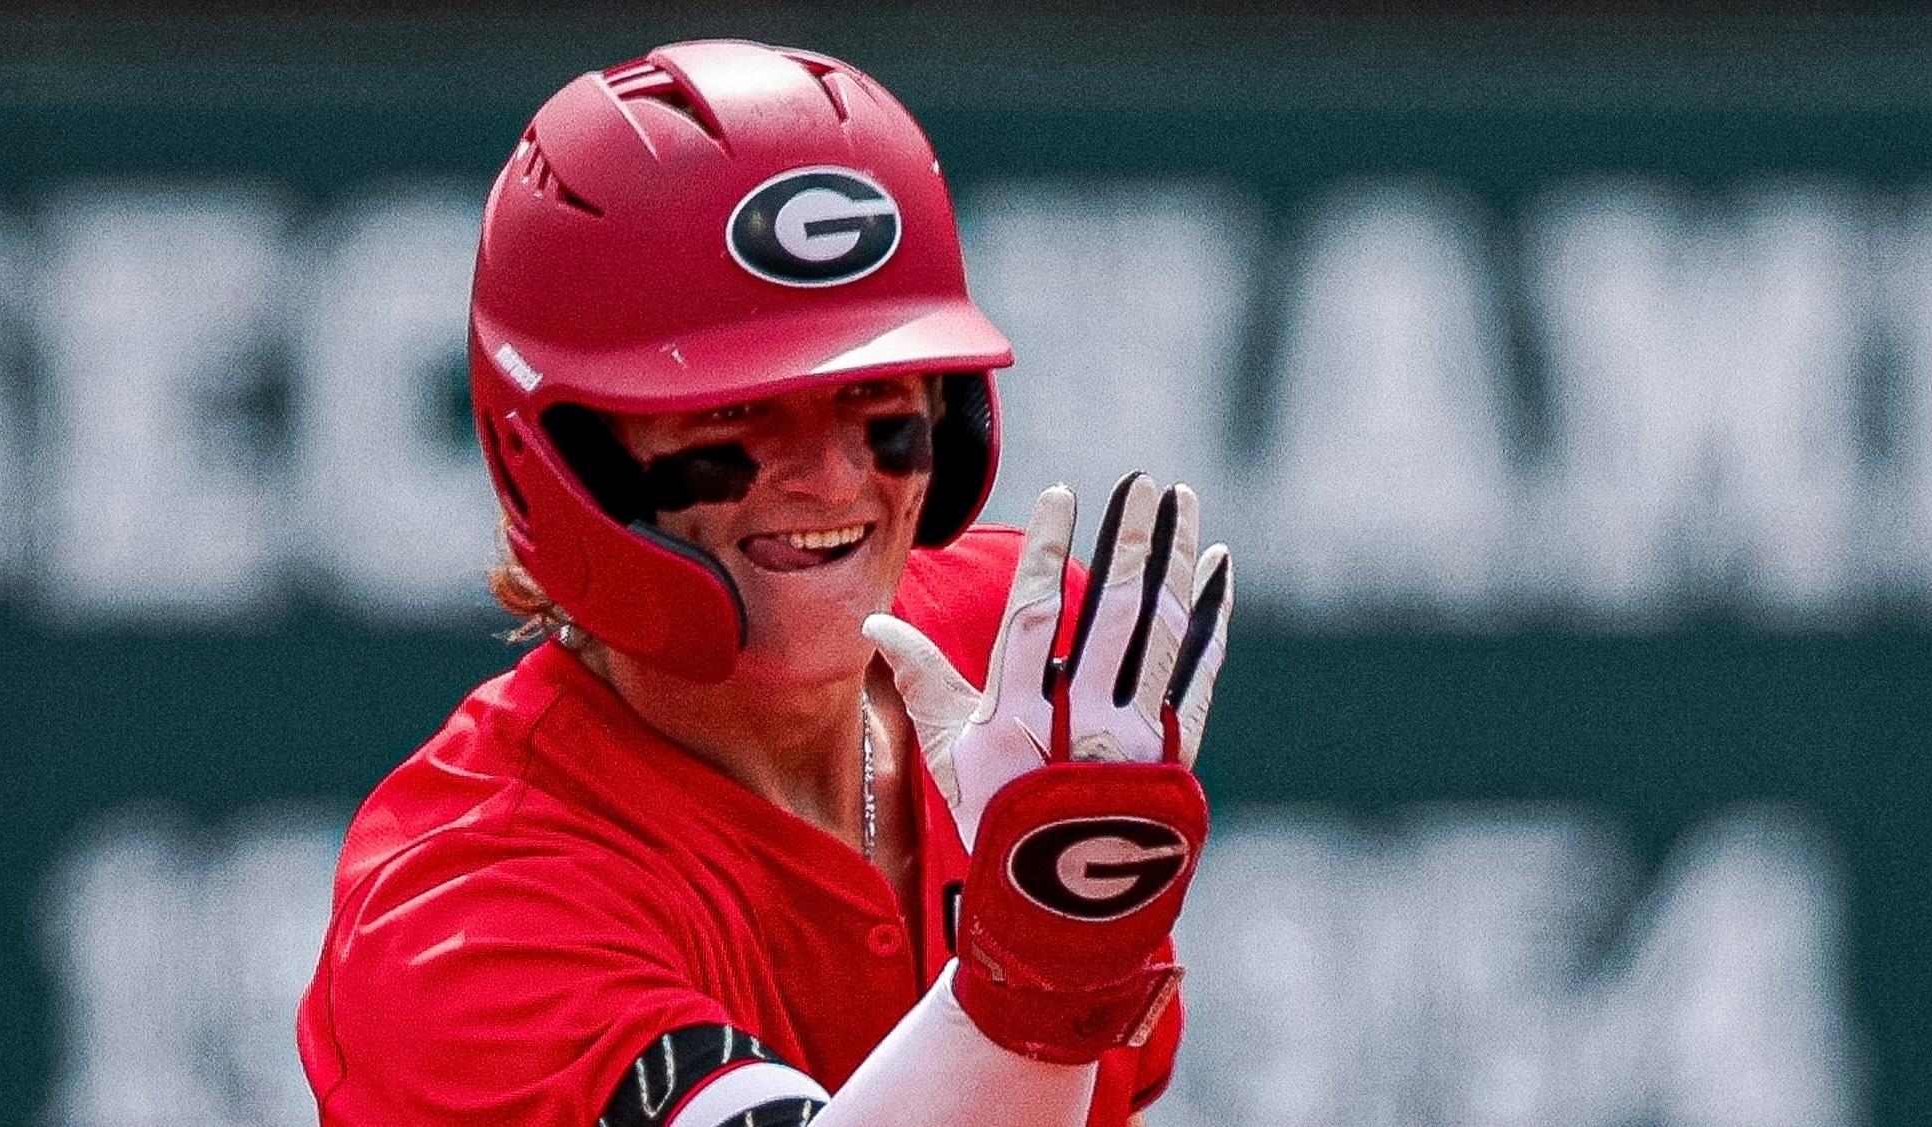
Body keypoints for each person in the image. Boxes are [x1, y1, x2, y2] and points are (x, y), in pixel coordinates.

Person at [297, 39, 1233, 1127]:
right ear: (562, 448)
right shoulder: (460, 907)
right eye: (734, 407)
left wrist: (1054, 964)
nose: (831, 472)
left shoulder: (1023, 665)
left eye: (875, 390)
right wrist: (1038, 979)